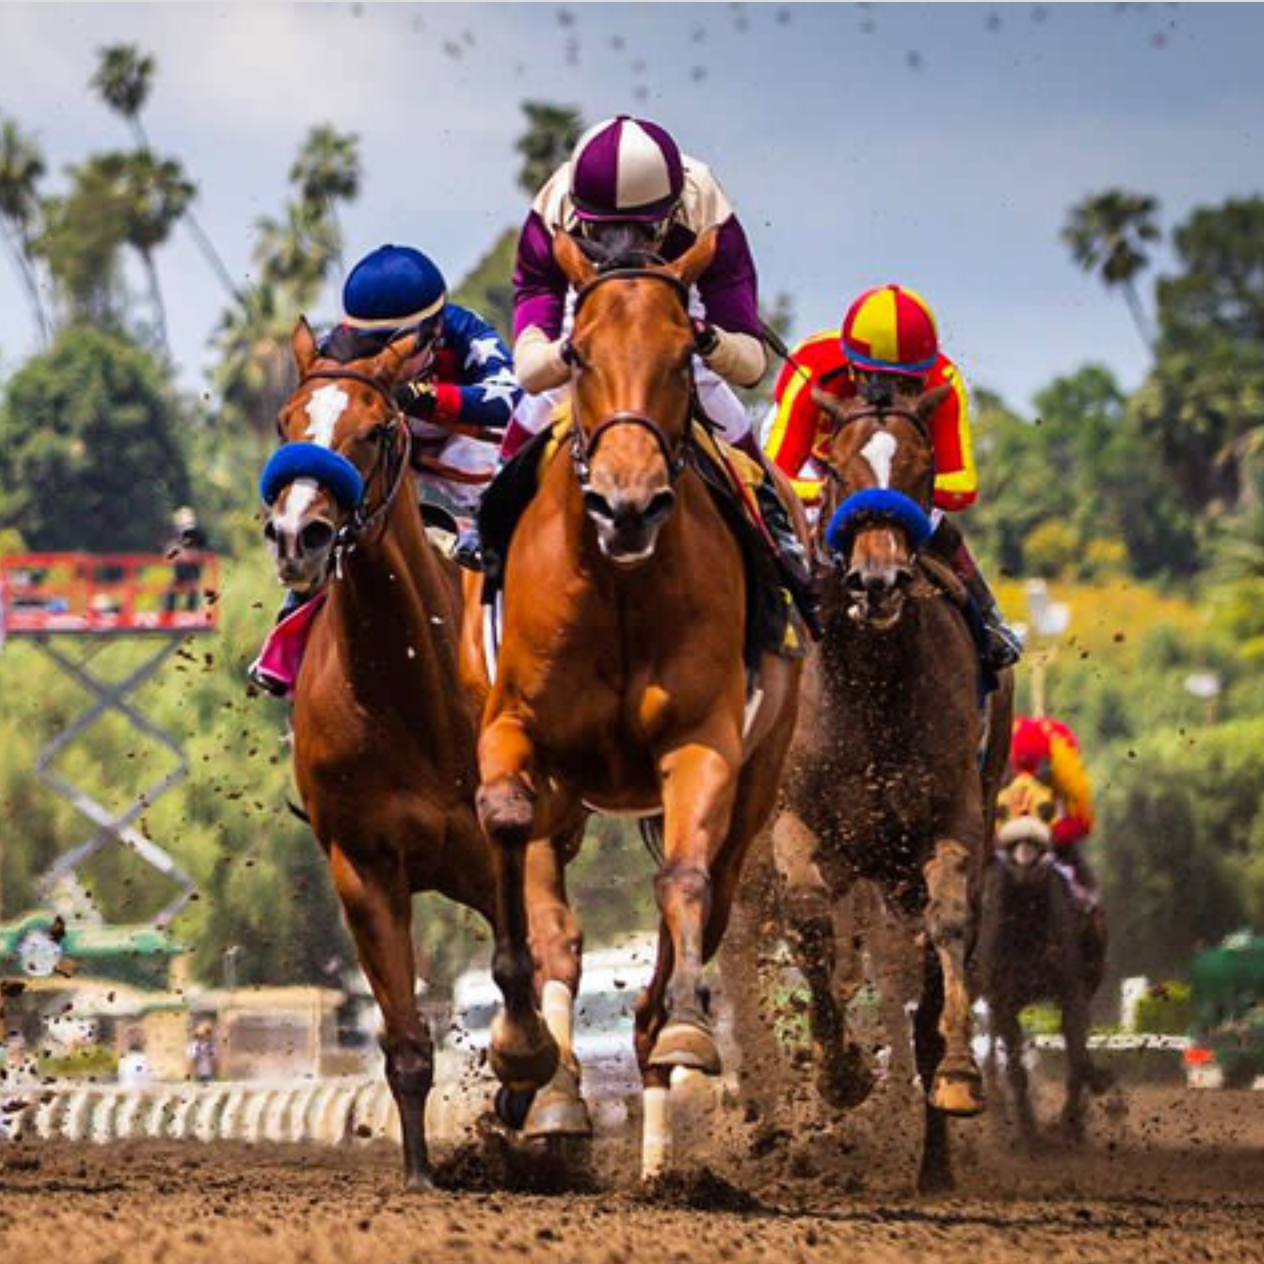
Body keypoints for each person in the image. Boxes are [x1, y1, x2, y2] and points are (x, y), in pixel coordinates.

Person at [495, 113, 810, 597]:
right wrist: (570, 350)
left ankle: (776, 539)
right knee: (538, 405)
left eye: (641, 230)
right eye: (604, 231)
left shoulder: (707, 207)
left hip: (681, 299)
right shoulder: (551, 211)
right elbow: (531, 365)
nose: (624, 244)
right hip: (587, 297)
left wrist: (706, 340)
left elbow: (749, 363)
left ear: (672, 210)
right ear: (581, 215)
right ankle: (486, 530)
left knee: (718, 403)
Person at [763, 284, 1022, 671]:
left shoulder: (944, 381)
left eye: (910, 385)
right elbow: (774, 477)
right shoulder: (812, 367)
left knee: (938, 525)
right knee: (781, 521)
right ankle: (761, 611)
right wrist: (840, 490)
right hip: (820, 465)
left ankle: (986, 617)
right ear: (853, 369)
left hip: (901, 475)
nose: (897, 396)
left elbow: (962, 488)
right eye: (882, 383)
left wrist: (892, 493)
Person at [323, 244, 520, 558]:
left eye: (400, 346)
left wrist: (426, 397)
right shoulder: (334, 348)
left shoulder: (465, 330)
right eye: (368, 345)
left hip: (454, 443)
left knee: (499, 464)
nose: (384, 360)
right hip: (383, 445)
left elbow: (513, 396)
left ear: (436, 329)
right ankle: (305, 588)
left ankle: (488, 535)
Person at [1009, 715, 1097, 894]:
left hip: (1051, 835)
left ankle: (1089, 903)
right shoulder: (1004, 749)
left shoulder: (1062, 758)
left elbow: (1083, 817)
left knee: (1087, 890)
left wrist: (1055, 833)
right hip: (1008, 833)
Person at [163, 506, 208, 613]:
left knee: (193, 590)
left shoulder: (197, 537)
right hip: (180, 574)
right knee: (170, 591)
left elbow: (199, 553)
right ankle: (169, 615)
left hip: (193, 574)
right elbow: (168, 555)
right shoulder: (177, 538)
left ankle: (190, 612)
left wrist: (184, 554)